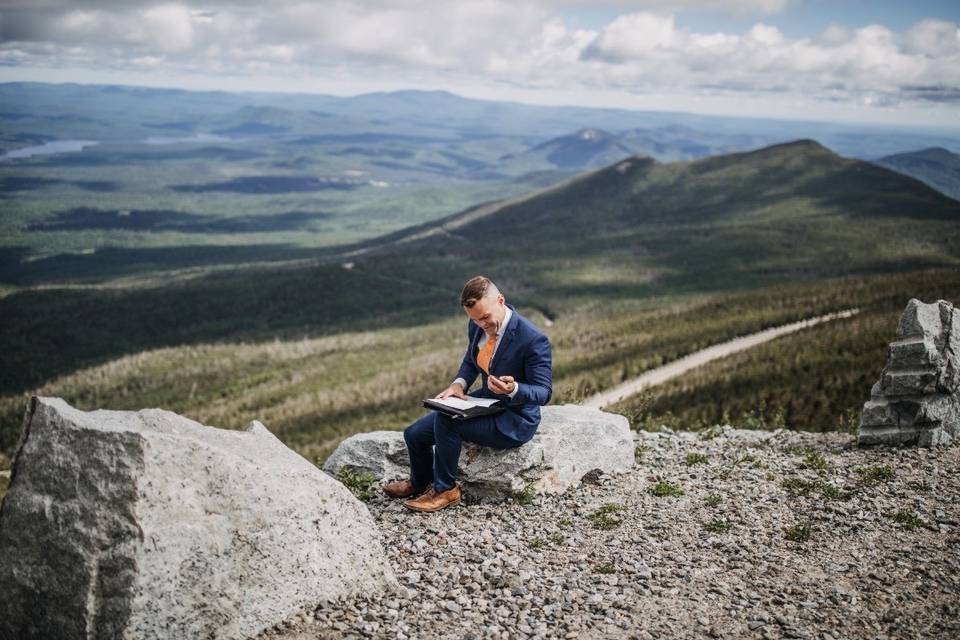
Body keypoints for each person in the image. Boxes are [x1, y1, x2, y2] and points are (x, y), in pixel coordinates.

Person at [383, 275, 553, 512]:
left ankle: (446, 490)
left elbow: (544, 392)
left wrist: (514, 388)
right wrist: (459, 385)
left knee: (447, 423)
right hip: (486, 402)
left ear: (501, 301)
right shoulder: (477, 324)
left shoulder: (533, 339)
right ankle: (420, 482)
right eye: (475, 319)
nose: (482, 324)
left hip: (514, 418)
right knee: (414, 434)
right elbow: (471, 361)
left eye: (485, 317)